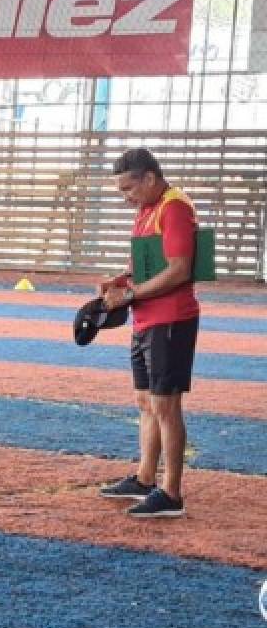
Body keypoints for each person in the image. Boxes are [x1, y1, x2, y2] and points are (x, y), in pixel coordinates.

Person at [97, 148, 200, 519]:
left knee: (166, 406)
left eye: (129, 189)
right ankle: (144, 478)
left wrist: (131, 293)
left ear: (150, 179)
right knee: (145, 401)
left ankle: (171, 492)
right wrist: (120, 281)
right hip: (147, 319)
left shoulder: (173, 207)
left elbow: (179, 269)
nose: (126, 197)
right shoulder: (147, 210)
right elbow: (140, 264)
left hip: (170, 319)